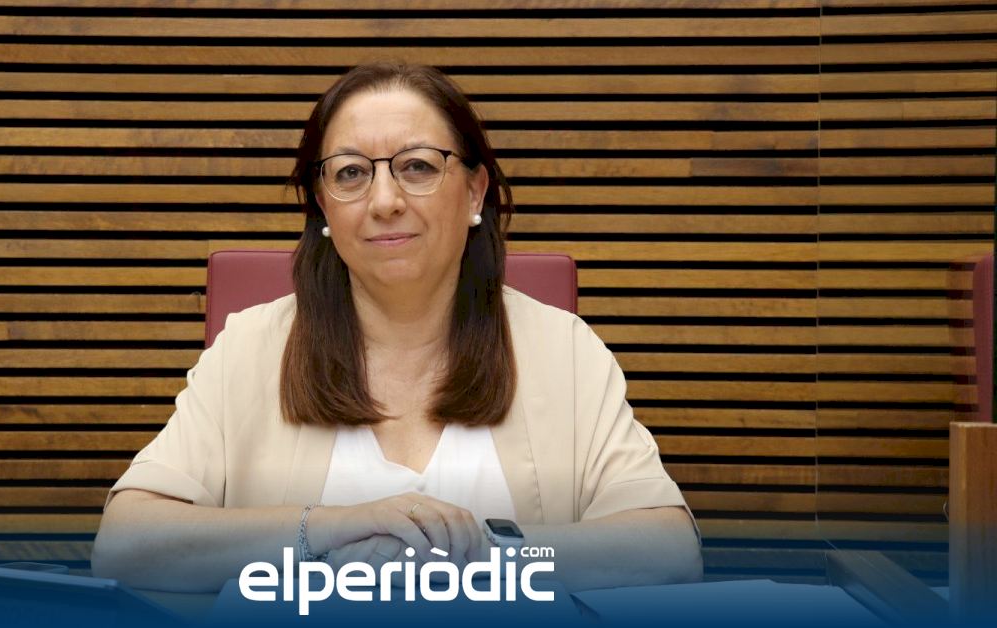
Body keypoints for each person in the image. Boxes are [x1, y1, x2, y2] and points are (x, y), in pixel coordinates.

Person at [91, 63, 702, 593]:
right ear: (322, 205)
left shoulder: (562, 349)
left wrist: (485, 553)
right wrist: (326, 530)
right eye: (350, 173)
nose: (384, 201)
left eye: (416, 166)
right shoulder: (250, 348)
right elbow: (126, 545)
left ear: (475, 192)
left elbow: (667, 550)